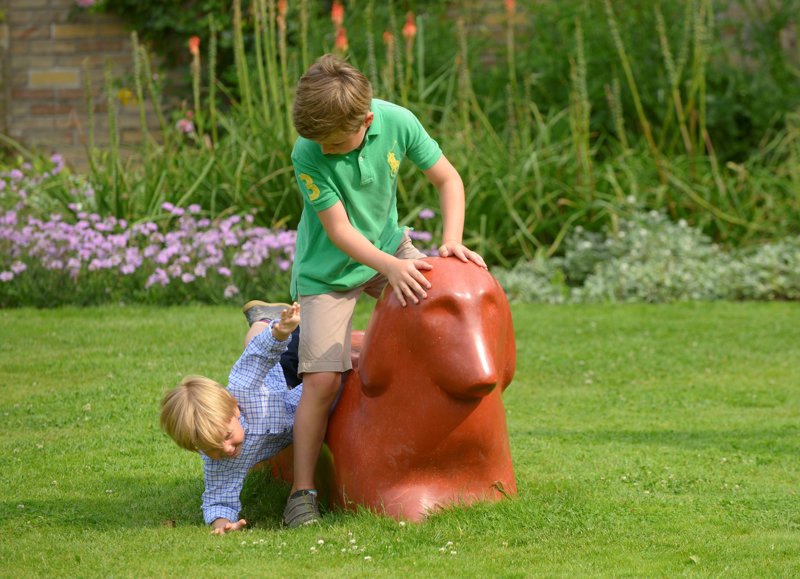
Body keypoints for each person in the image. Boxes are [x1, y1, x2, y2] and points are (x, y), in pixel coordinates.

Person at [287, 54, 487, 526]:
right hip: (328, 273)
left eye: (337, 143)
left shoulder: (398, 121)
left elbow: (448, 179)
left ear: (367, 120)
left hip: (387, 247)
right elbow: (339, 230)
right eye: (321, 144)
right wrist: (392, 267)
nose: (327, 150)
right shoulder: (308, 151)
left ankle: (441, 458)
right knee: (322, 381)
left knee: (440, 320)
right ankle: (301, 492)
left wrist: (451, 241)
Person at [159, 302, 317, 534]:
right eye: (211, 448)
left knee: (270, 345)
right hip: (292, 403)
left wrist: (281, 331)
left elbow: (258, 357)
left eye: (226, 436)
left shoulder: (243, 389)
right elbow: (219, 498)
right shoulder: (220, 460)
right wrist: (222, 524)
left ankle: (263, 321)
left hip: (282, 373)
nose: (226, 449)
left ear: (235, 409)